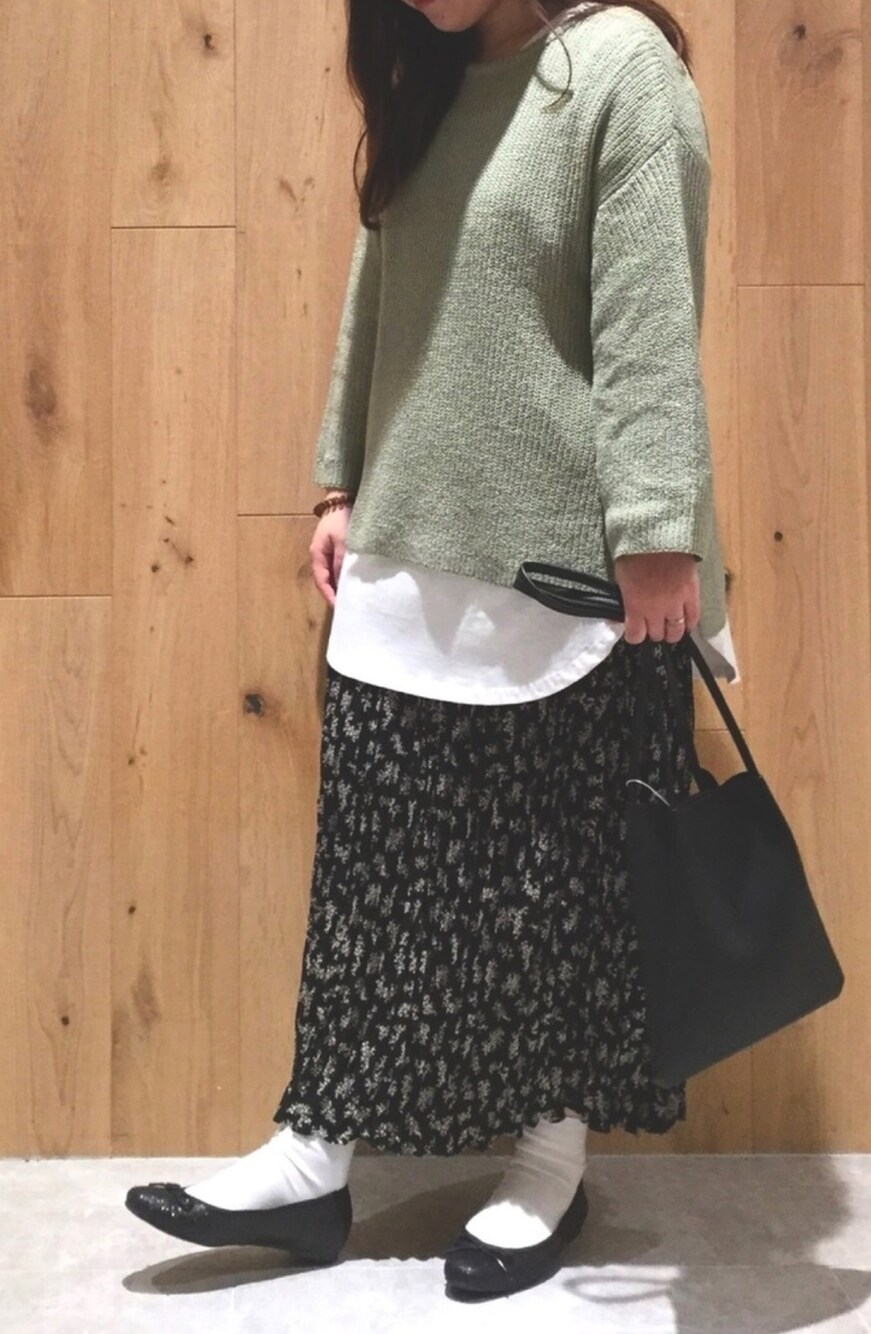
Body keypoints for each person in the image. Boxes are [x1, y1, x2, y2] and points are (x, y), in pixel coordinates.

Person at [125, 0, 740, 1301]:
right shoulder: (433, 83)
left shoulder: (620, 70)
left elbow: (650, 310)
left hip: (571, 563)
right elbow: (383, 290)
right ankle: (314, 1159)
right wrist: (339, 478)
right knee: (373, 879)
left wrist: (655, 523)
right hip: (411, 542)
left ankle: (551, 1164)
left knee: (557, 890)